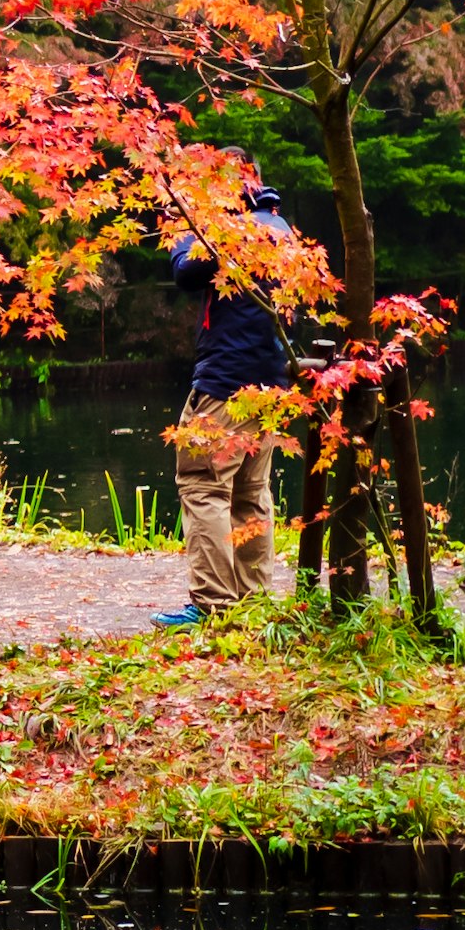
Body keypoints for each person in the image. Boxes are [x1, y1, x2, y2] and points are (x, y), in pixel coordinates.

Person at [162, 166, 298, 627]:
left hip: (225, 382)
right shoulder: (281, 228)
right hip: (272, 381)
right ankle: (254, 599)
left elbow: (186, 272)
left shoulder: (226, 231)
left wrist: (186, 228)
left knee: (203, 485)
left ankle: (212, 604)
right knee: (251, 492)